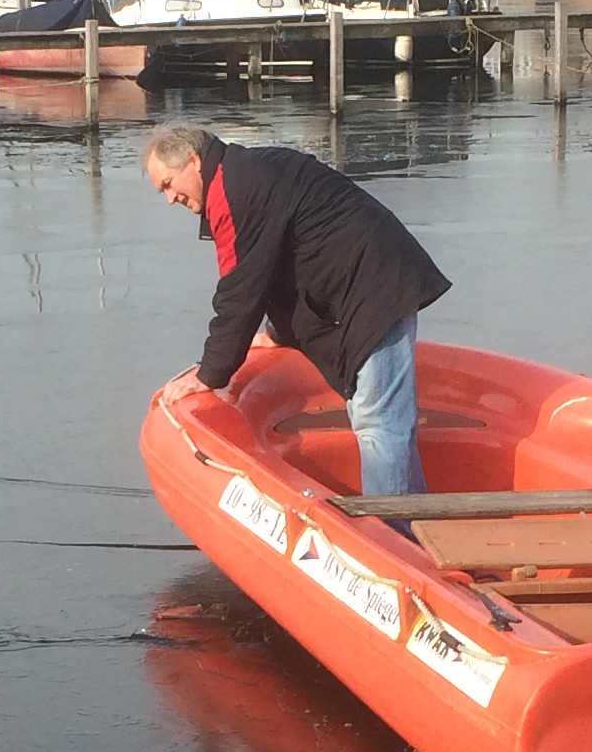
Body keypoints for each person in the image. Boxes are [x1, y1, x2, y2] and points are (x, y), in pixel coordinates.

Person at [147, 123, 451, 499]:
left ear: (194, 162)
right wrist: (279, 333)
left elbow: (239, 290)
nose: (169, 198)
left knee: (379, 423)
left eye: (168, 184)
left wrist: (209, 374)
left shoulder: (235, 188)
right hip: (367, 282)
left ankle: (391, 529)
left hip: (377, 287)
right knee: (381, 423)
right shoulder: (245, 173)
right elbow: (286, 260)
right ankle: (409, 521)